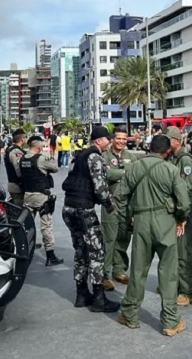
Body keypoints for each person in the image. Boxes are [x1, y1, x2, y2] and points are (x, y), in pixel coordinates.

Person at [117, 135, 191, 337]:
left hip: (141, 222)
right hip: (165, 222)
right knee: (168, 272)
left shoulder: (134, 168)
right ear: (167, 151)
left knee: (138, 270)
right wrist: (180, 218)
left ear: (149, 148)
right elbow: (184, 203)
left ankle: (130, 315)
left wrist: (127, 219)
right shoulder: (171, 170)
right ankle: (170, 321)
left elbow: (120, 196)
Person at [61, 125, 119, 313]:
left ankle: (81, 294)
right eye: (107, 139)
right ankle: (99, 299)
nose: (109, 142)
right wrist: (110, 206)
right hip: (84, 210)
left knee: (80, 251)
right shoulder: (96, 157)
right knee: (96, 253)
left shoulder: (78, 156)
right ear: (99, 141)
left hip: (68, 208)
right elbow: (100, 188)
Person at [166, 126, 192, 306]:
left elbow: (185, 187)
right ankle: (179, 285)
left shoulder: (184, 160)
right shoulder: (172, 157)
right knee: (176, 250)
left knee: (184, 251)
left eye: (168, 139)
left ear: (177, 141)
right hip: (178, 209)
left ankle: (189, 291)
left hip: (186, 210)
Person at [101, 127, 137, 290]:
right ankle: (105, 274)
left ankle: (119, 269)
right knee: (109, 239)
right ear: (112, 139)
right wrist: (125, 173)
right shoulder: (104, 156)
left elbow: (136, 176)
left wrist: (117, 172)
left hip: (127, 203)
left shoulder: (131, 157)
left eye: (124, 139)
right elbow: (106, 175)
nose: (121, 141)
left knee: (124, 237)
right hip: (110, 203)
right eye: (119, 138)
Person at [20, 135, 63, 267]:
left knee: (26, 225)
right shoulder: (41, 159)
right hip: (41, 196)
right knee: (46, 226)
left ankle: (23, 251)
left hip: (27, 195)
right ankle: (50, 255)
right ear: (39, 147)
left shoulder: (22, 159)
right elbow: (55, 168)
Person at [4, 129, 28, 206]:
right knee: (19, 211)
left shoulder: (11, 149)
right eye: (25, 137)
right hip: (17, 186)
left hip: (16, 185)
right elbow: (19, 170)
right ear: (22, 139)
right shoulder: (16, 151)